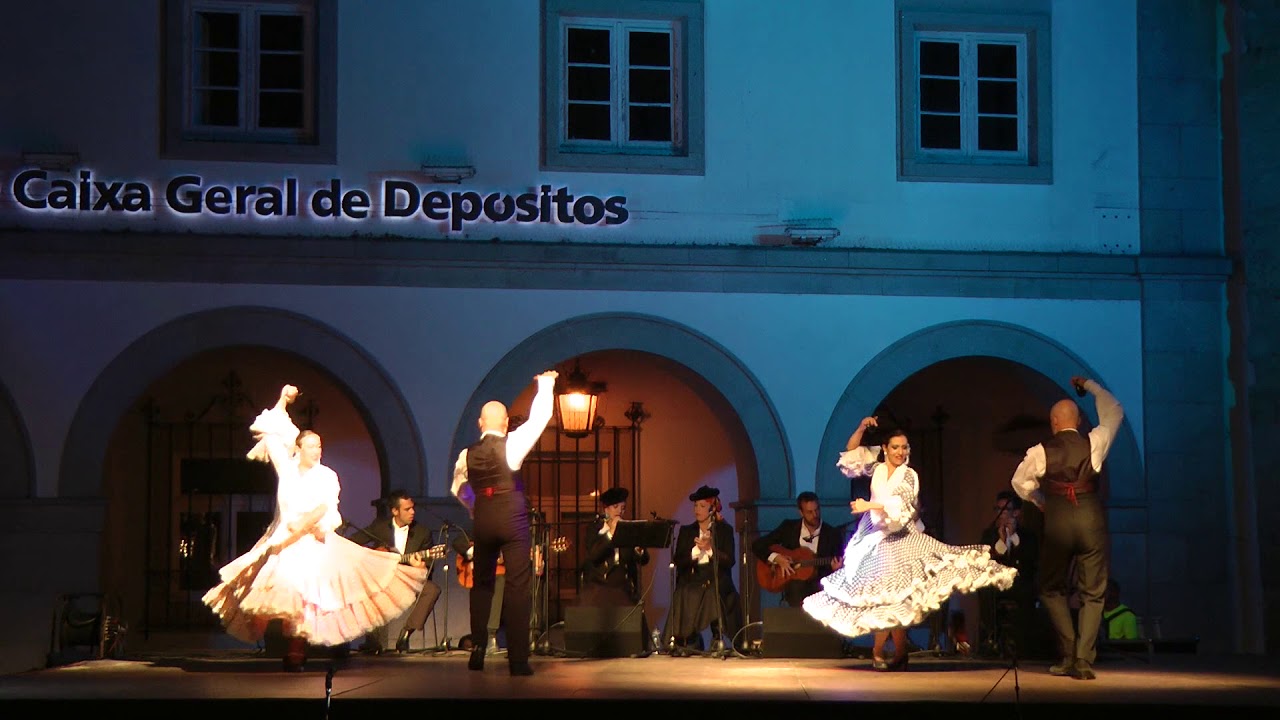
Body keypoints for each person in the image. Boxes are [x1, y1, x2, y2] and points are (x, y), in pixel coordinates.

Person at [201, 384, 428, 671]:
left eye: (320, 446)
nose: (317, 450)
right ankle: (285, 648)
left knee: (309, 598)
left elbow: (331, 509)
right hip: (284, 541)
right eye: (311, 446)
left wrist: (319, 524)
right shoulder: (286, 468)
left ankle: (297, 652)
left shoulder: (327, 476)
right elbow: (268, 430)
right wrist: (283, 400)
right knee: (274, 595)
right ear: (299, 448)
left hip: (312, 543)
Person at [803, 416, 1017, 671]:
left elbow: (899, 505)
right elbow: (851, 455)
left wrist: (867, 505)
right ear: (884, 448)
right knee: (884, 599)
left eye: (904, 447)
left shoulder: (910, 476)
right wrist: (860, 428)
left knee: (892, 598)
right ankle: (898, 652)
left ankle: (880, 651)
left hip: (901, 539)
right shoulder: (879, 468)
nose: (900, 452)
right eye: (895, 447)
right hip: (873, 537)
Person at [1011, 376, 1123, 680]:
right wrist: (1090, 386)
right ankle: (1084, 660)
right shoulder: (1095, 440)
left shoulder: (1040, 451)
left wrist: (1040, 500)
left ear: (1053, 422)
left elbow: (1019, 484)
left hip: (1058, 518)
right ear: (1078, 420)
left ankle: (1069, 651)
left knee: (1049, 587)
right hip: (1090, 517)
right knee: (1093, 591)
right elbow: (1115, 410)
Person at [450, 369, 558, 677]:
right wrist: (546, 384)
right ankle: (518, 660)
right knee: (517, 586)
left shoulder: (466, 454)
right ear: (507, 423)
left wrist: (475, 507)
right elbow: (539, 420)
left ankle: (479, 649)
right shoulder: (512, 444)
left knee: (481, 584)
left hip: (484, 520)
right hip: (511, 519)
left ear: (480, 425)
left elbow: (459, 488)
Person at [662, 485, 743, 655]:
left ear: (712, 509)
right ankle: (687, 639)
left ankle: (718, 637)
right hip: (693, 579)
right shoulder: (687, 531)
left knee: (712, 592)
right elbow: (679, 559)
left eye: (702, 506)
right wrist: (696, 551)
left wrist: (711, 549)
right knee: (685, 592)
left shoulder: (724, 530)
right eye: (695, 506)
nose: (697, 510)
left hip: (715, 579)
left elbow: (730, 560)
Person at [357, 489, 438, 652]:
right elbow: (354, 541)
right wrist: (370, 559)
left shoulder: (422, 532)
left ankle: (406, 634)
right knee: (367, 592)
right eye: (407, 509)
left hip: (407, 579)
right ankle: (372, 640)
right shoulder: (379, 527)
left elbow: (429, 563)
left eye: (413, 508)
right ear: (395, 511)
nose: (412, 512)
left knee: (432, 590)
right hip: (383, 578)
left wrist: (421, 567)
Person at [579, 487, 652, 650]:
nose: (619, 511)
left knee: (624, 591)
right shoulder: (595, 530)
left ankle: (635, 644)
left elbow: (644, 559)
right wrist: (610, 534)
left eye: (623, 507)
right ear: (606, 509)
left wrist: (639, 548)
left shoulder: (629, 529)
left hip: (623, 581)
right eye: (615, 507)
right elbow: (594, 556)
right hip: (601, 581)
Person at [751, 491, 845, 609]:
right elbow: (757, 545)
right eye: (809, 512)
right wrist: (777, 558)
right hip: (794, 588)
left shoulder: (832, 534)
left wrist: (836, 569)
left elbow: (839, 566)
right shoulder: (788, 528)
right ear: (801, 512)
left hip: (820, 585)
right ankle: (797, 623)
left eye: (817, 510)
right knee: (796, 586)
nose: (815, 515)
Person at [977, 490, 1039, 658]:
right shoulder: (988, 534)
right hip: (996, 584)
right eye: (998, 510)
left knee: (1028, 592)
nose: (1001, 514)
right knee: (985, 591)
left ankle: (1023, 644)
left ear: (1016, 513)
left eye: (1005, 510)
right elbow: (986, 561)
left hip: (1020, 584)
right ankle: (992, 638)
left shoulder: (1028, 536)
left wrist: (1013, 538)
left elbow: (1029, 562)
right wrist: (1003, 542)